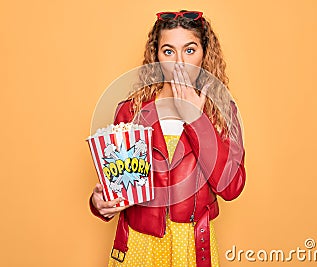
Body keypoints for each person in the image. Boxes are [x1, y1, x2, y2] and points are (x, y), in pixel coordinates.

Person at [89, 10, 246, 267]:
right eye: (169, 51)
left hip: (192, 248)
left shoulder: (222, 111)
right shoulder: (131, 111)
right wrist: (99, 202)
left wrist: (196, 120)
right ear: (156, 56)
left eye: (190, 50)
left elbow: (231, 187)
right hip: (139, 246)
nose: (179, 62)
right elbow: (117, 185)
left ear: (205, 54)